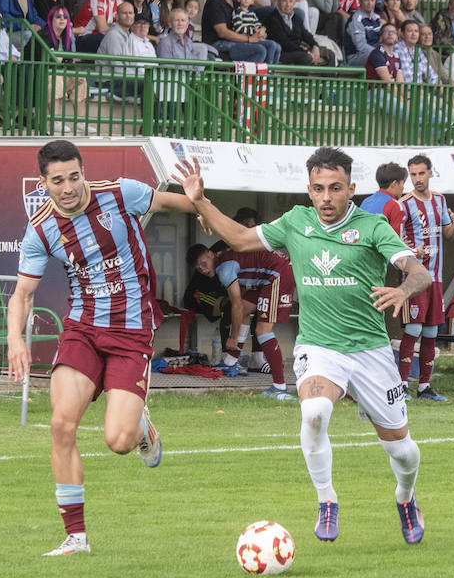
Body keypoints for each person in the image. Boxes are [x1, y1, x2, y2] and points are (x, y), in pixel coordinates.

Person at [174, 148, 432, 546]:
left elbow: (419, 271)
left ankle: (405, 497)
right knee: (313, 413)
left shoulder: (372, 227)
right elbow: (241, 238)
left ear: (352, 188)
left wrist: (402, 288)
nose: (326, 197)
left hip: (370, 351)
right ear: (308, 191)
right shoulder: (296, 221)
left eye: (335, 188)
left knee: (403, 451)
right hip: (320, 346)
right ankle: (327, 500)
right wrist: (201, 201)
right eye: (318, 189)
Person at [6, 140, 196, 556]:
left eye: (74, 176)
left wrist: (198, 200)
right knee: (61, 425)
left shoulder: (118, 192)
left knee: (119, 441)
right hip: (83, 330)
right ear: (44, 183)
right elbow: (22, 294)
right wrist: (14, 338)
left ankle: (141, 426)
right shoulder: (41, 228)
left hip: (131, 331)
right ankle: (76, 536)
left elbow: (171, 203)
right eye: (58, 181)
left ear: (82, 171)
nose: (69, 187)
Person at [187, 245, 296, 399]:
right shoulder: (222, 257)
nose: (203, 270)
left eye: (204, 264)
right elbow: (241, 304)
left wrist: (233, 336)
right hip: (267, 277)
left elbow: (236, 304)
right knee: (245, 310)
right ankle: (231, 362)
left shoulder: (225, 269)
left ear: (211, 254)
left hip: (278, 274)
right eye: (199, 269)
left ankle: (280, 387)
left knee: (262, 330)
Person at [396, 153, 454, 403]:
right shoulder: (404, 203)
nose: (417, 179)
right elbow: (396, 238)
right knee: (413, 330)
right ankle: (402, 385)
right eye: (412, 174)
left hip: (436, 278)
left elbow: (449, 235)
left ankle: (424, 386)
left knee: (432, 332)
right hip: (414, 277)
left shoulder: (440, 201)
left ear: (430, 173)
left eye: (421, 173)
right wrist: (412, 251)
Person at [359, 162, 406, 233]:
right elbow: (395, 241)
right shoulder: (395, 205)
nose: (403, 188)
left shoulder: (366, 201)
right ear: (395, 184)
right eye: (403, 184)